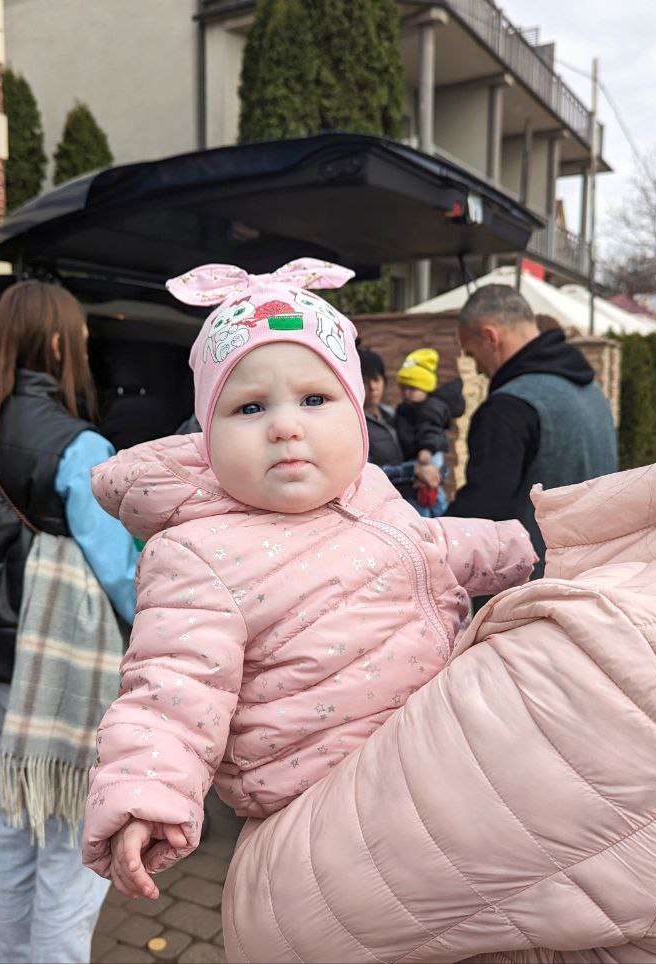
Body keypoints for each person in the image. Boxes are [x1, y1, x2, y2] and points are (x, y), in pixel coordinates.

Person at [221, 145, 656, 960]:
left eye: (469, 351)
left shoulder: (622, 666)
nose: (467, 366)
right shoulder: (583, 389)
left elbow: (280, 924)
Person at [80, 259, 535, 899]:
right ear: (207, 438)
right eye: (249, 407)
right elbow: (173, 688)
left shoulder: (368, 493)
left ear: (356, 412)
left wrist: (538, 545)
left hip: (437, 765)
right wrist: (144, 795)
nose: (286, 426)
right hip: (322, 813)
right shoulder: (197, 551)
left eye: (316, 399)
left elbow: (435, 544)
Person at [0, 281, 138, 964]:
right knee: (72, 845)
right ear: (62, 343)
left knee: (16, 824)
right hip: (56, 677)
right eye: (85, 342)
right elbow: (120, 571)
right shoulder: (77, 444)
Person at [450, 284, 616, 575]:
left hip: (530, 598)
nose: (476, 369)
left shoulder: (508, 409)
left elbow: (480, 516)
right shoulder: (592, 391)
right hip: (594, 576)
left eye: (473, 354)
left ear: (490, 337)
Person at [359, 348, 443, 505]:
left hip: (416, 497)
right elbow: (366, 474)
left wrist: (434, 471)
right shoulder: (356, 424)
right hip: (385, 505)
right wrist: (414, 471)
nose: (372, 387)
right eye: (364, 381)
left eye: (376, 379)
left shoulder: (395, 414)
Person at [392, 348, 464, 517]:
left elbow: (430, 430)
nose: (406, 393)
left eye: (412, 389)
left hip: (427, 454)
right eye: (403, 388)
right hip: (418, 456)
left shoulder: (429, 409)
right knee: (427, 492)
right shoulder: (409, 408)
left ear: (425, 388)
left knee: (430, 491)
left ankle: (440, 517)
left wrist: (427, 449)